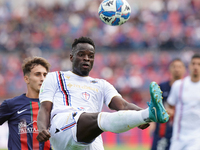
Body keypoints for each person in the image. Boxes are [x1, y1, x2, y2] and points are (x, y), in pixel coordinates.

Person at [36, 36, 169, 150]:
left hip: (91, 137)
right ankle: (148, 114)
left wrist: (141, 113)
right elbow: (45, 108)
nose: (86, 58)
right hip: (62, 127)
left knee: (99, 120)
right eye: (81, 54)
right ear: (71, 57)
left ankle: (148, 113)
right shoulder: (55, 77)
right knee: (101, 117)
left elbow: (123, 106)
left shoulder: (101, 84)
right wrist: (42, 128)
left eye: (91, 56)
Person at [0, 56, 52, 150]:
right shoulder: (11, 105)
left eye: (45, 75)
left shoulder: (54, 105)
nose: (42, 78)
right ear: (26, 79)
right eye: (37, 74)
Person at [166, 54, 200, 150]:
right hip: (178, 137)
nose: (196, 66)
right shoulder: (179, 85)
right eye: (193, 63)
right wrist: (169, 112)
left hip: (196, 138)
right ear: (189, 66)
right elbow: (169, 106)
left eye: (199, 64)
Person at [151, 58, 186, 150]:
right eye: (174, 66)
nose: (177, 69)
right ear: (170, 69)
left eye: (179, 67)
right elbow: (155, 107)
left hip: (182, 130)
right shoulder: (162, 87)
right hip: (163, 130)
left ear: (184, 69)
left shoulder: (188, 88)